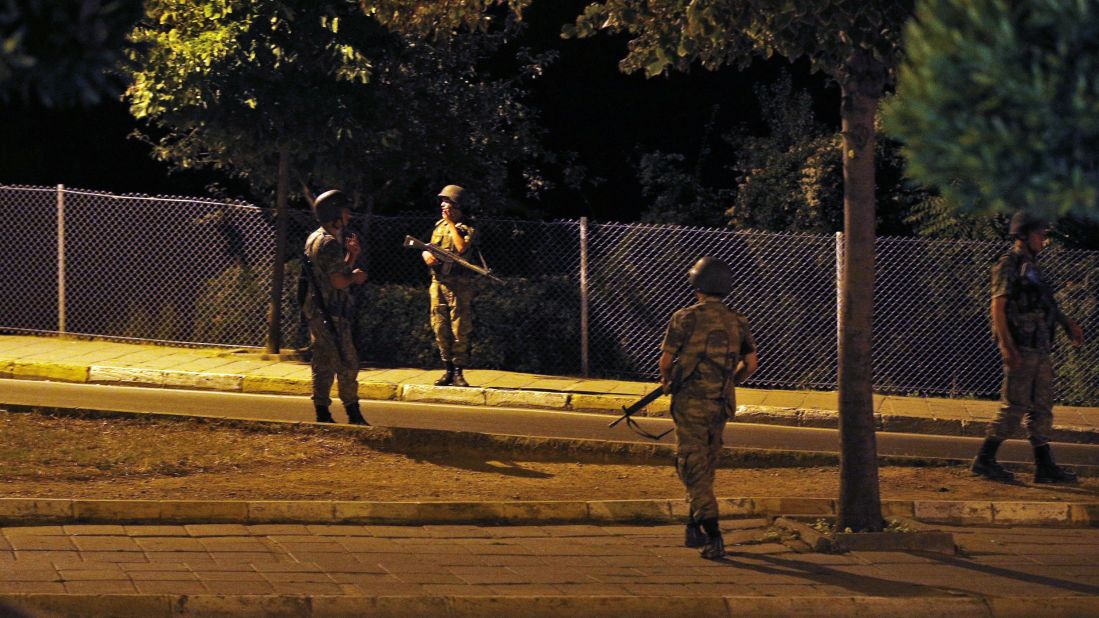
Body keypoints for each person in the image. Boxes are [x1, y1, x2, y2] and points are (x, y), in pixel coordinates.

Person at [971, 211, 1083, 483]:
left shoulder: (1033, 267)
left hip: (1040, 346)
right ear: (1023, 235)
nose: (1043, 240)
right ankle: (984, 460)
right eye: (1039, 235)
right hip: (1022, 346)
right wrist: (1007, 347)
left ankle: (1044, 466)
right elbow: (998, 307)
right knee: (1015, 405)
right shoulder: (1008, 265)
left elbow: (1046, 304)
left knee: (1042, 407)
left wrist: (1067, 323)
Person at [659, 257, 758, 560]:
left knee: (691, 464)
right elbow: (751, 364)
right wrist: (731, 381)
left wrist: (667, 381)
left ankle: (713, 533)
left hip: (690, 403)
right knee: (707, 461)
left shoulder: (684, 318)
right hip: (720, 403)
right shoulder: (737, 320)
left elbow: (665, 361)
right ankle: (693, 525)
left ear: (697, 285)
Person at [303, 189, 368, 425]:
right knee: (347, 362)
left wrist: (351, 257)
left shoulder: (315, 238)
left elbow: (333, 271)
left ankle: (322, 413)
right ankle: (353, 414)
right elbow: (338, 281)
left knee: (324, 362)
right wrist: (356, 277)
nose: (348, 216)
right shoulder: (328, 243)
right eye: (344, 211)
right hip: (330, 313)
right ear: (334, 215)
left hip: (318, 311)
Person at [421, 184, 479, 387]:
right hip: (438, 283)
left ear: (457, 206)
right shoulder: (439, 226)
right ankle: (447, 370)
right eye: (442, 202)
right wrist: (426, 254)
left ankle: (458, 372)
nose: (443, 205)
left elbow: (461, 248)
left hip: (459, 286)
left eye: (447, 202)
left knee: (459, 329)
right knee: (439, 327)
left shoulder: (466, 227)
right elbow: (429, 247)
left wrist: (451, 223)